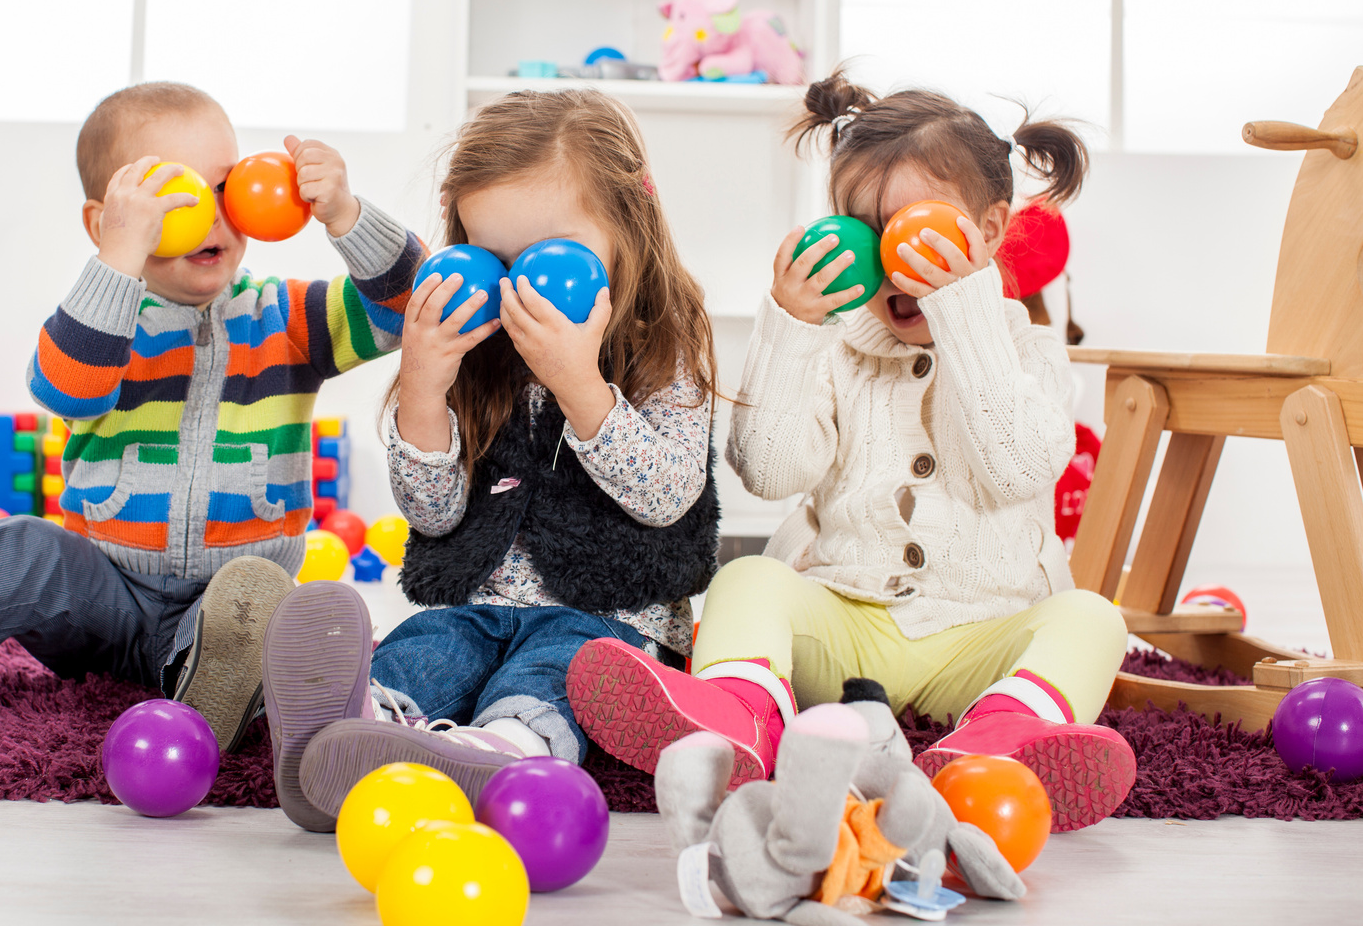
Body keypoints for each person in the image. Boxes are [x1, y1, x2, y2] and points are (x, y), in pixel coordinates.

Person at [566, 68, 1134, 832]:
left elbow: (1016, 469)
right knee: (748, 581)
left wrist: (964, 310)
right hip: (846, 627)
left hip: (982, 636)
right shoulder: (836, 350)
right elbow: (768, 472)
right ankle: (738, 717)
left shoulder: (1022, 350)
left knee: (1092, 619)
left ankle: (999, 739)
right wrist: (790, 328)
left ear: (990, 232)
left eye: (918, 229)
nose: (891, 259)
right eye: (864, 231)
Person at [0, 82, 422, 755]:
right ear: (106, 222)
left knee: (261, 604)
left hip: (217, 612)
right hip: (102, 597)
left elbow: (404, 306)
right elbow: (66, 388)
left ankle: (210, 684)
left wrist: (347, 215)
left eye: (226, 187)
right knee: (23, 543)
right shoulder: (104, 322)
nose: (209, 216)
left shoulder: (286, 319)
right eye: (174, 199)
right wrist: (118, 260)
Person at [258, 89, 721, 831]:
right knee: (425, 646)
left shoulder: (663, 345)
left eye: (549, 259)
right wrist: (422, 388)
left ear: (627, 225)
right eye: (489, 258)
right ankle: (349, 730)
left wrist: (580, 386)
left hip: (606, 615)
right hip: (477, 607)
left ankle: (502, 749)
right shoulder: (473, 348)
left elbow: (668, 497)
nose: (512, 288)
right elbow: (434, 515)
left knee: (560, 669)